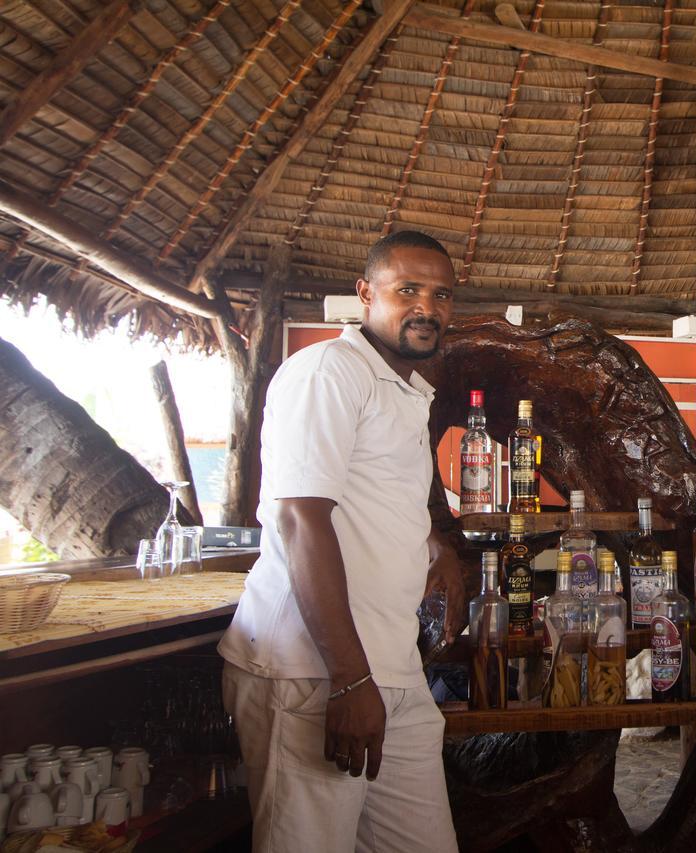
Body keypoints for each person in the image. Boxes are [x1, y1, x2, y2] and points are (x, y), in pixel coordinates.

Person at [218, 230, 467, 852]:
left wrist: (441, 548)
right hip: (315, 671)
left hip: (391, 664)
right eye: (407, 289)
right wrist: (350, 682)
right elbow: (302, 519)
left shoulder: (407, 389)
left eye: (441, 295)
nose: (427, 308)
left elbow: (380, 498)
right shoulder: (329, 372)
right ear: (365, 294)